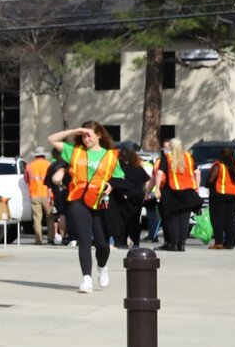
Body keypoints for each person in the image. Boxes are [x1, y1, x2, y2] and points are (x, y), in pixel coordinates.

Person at [47, 124, 119, 293]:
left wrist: (111, 186)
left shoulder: (110, 156)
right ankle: (86, 279)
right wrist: (74, 131)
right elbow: (52, 139)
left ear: (99, 135)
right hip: (78, 200)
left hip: (99, 201)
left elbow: (118, 178)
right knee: (84, 239)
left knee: (102, 243)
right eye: (84, 136)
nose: (87, 139)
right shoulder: (75, 151)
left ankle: (102, 267)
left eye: (90, 135)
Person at [154, 139, 200, 252]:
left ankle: (173, 244)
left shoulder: (167, 157)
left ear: (170, 147)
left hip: (172, 192)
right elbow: (197, 172)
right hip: (188, 191)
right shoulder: (188, 156)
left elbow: (160, 173)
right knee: (184, 219)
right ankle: (182, 244)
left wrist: (157, 189)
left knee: (172, 219)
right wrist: (197, 187)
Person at [110, 145, 149, 250]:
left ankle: (121, 242)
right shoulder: (139, 168)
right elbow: (146, 180)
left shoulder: (120, 167)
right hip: (138, 195)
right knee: (135, 219)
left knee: (122, 219)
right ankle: (136, 241)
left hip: (125, 195)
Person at [25, 148, 55, 246]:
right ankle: (51, 239)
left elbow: (26, 179)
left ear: (35, 156)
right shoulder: (49, 164)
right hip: (47, 195)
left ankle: (38, 240)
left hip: (34, 194)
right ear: (44, 155)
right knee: (50, 218)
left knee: (37, 218)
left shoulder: (29, 166)